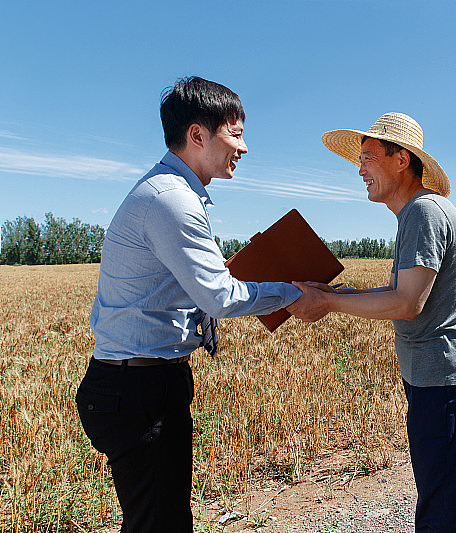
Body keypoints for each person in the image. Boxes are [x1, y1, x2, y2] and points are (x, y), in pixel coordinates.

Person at [75, 76, 321, 532]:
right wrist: (295, 292)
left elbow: (191, 285)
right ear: (197, 135)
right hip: (138, 390)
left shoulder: (170, 192)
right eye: (236, 133)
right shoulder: (173, 200)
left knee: (160, 518)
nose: (243, 148)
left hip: (141, 381)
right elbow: (219, 297)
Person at [291, 112, 456, 532]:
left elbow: (406, 302)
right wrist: (331, 295)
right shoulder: (412, 215)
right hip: (434, 381)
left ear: (402, 159)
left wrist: (327, 302)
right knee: (444, 499)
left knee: (445, 510)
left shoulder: (424, 212)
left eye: (367, 158)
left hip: (446, 382)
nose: (359, 169)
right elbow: (398, 294)